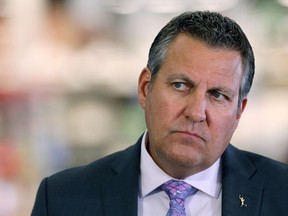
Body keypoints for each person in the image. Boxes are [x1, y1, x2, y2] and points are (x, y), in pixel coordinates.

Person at [31, 11, 288, 216]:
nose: (196, 112)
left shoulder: (282, 193)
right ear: (145, 88)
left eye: (218, 95)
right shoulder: (61, 199)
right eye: (180, 85)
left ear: (238, 113)